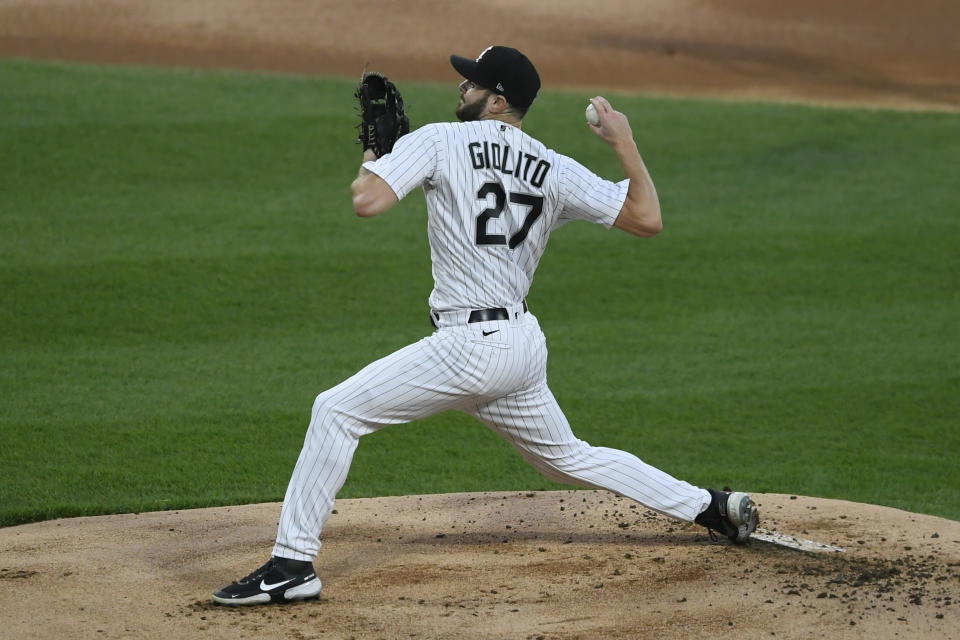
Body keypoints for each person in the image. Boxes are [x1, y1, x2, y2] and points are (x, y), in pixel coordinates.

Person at [212, 45, 758, 606]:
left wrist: (378, 153)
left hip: (467, 349)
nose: (460, 90)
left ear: (497, 101)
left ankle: (291, 565)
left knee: (336, 410)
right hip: (520, 347)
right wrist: (625, 144)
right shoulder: (552, 166)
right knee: (569, 457)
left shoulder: (437, 140)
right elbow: (647, 218)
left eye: (471, 84)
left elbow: (367, 202)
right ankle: (714, 509)